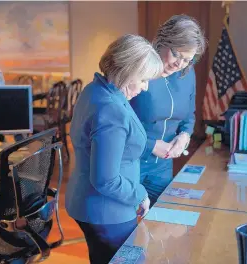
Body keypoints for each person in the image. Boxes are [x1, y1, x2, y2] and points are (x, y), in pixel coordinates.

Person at [65, 34, 164, 264]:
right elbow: (105, 180)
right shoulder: (111, 110)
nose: (145, 87)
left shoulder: (94, 89)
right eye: (143, 79)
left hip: (88, 203)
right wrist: (140, 193)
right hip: (107, 211)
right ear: (127, 71)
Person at [130, 14, 207, 206]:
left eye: (188, 59)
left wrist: (185, 136)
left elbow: (189, 116)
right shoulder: (138, 69)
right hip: (130, 164)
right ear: (161, 42)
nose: (179, 64)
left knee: (166, 224)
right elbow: (116, 125)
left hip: (162, 167)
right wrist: (151, 145)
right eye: (176, 54)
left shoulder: (187, 73)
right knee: (129, 231)